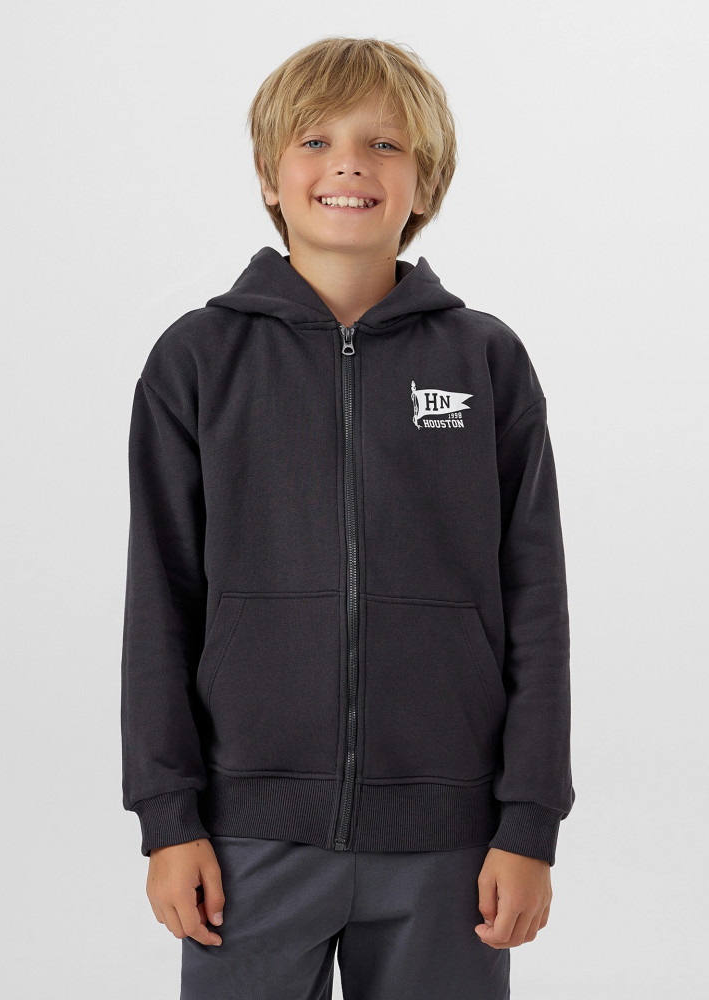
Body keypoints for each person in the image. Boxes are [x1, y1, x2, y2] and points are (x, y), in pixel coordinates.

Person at [120, 36, 575, 1000]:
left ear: (426, 180)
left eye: (385, 144)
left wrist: (529, 823)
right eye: (316, 140)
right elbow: (160, 603)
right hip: (245, 842)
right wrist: (168, 818)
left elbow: (536, 604)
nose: (349, 165)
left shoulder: (485, 361)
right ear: (269, 174)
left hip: (450, 847)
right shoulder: (196, 362)